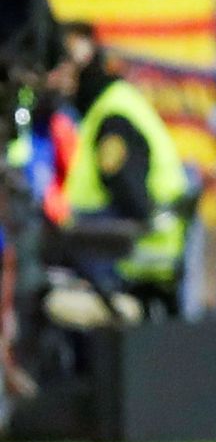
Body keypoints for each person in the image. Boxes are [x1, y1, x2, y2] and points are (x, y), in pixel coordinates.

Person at [45, 23, 192, 318]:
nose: (54, 80)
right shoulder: (108, 107)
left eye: (59, 69)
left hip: (132, 260)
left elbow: (131, 200)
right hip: (123, 252)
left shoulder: (113, 117)